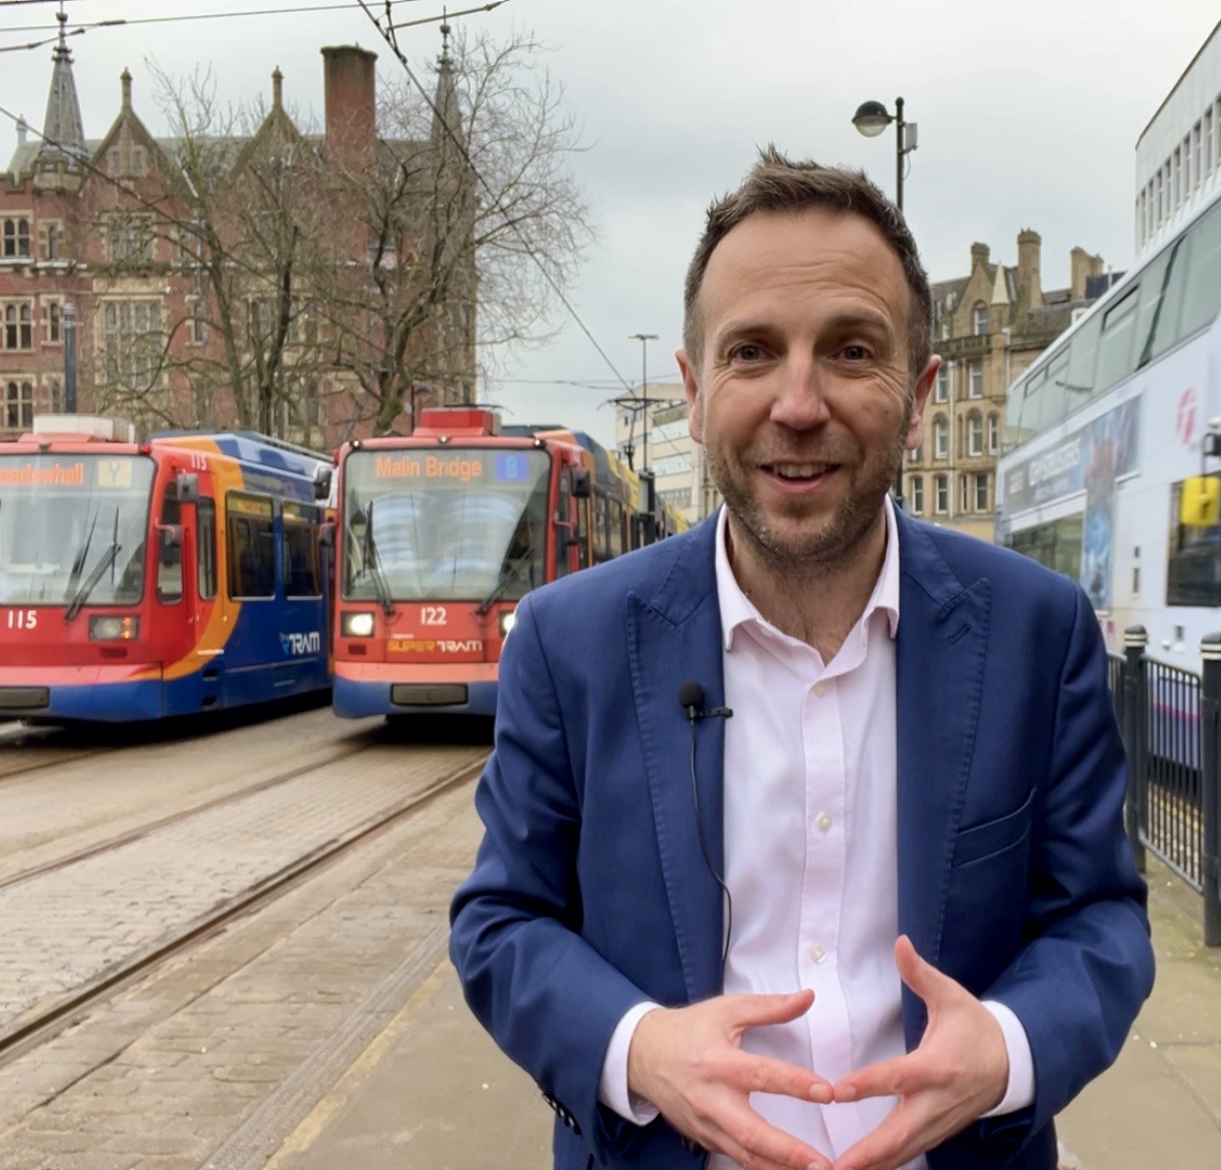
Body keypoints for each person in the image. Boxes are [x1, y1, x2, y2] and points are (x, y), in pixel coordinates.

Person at [449, 149, 1154, 1170]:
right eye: (750, 353)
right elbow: (502, 919)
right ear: (694, 395)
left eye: (850, 350)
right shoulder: (571, 643)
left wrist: (1004, 1051)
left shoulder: (1036, 633)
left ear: (916, 394)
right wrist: (638, 1047)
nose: (797, 402)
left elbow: (1099, 919)